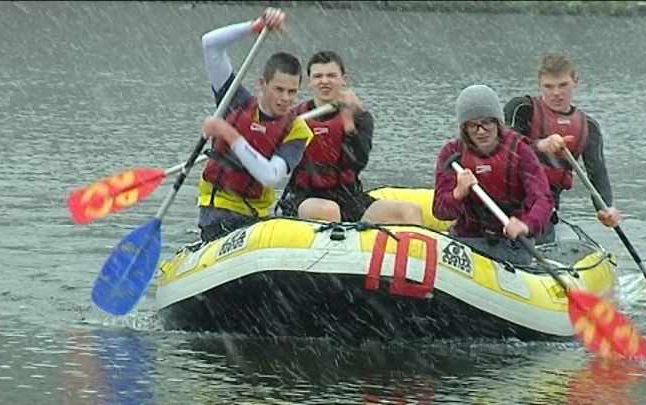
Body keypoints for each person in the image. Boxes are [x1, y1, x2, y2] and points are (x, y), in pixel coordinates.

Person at [196, 8, 314, 243]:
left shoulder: (297, 130)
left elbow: (269, 176)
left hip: (255, 217)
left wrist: (229, 134)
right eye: (279, 89)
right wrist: (255, 26)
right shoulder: (234, 100)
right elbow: (210, 44)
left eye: (292, 92)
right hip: (216, 212)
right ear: (263, 84)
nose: (286, 99)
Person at [277, 51, 423, 225]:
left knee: (410, 211)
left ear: (343, 79)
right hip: (304, 196)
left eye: (331, 75)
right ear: (309, 82)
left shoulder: (361, 118)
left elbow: (359, 161)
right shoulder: (292, 119)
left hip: (348, 195)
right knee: (329, 210)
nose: (324, 81)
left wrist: (349, 122)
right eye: (318, 76)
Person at [504, 53, 621, 243]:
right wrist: (541, 145)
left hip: (544, 205)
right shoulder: (521, 108)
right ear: (539, 84)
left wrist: (605, 208)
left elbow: (597, 172)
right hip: (507, 195)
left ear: (576, 82)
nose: (556, 93)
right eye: (548, 87)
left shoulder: (588, 127)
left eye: (563, 85)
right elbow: (503, 148)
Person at [433, 85, 554, 265]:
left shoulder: (519, 151)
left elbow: (543, 199)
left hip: (511, 244)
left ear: (497, 122)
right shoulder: (452, 154)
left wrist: (526, 224)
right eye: (473, 125)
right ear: (464, 128)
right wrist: (458, 193)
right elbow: (439, 210)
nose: (481, 131)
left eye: (487, 122)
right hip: (469, 240)